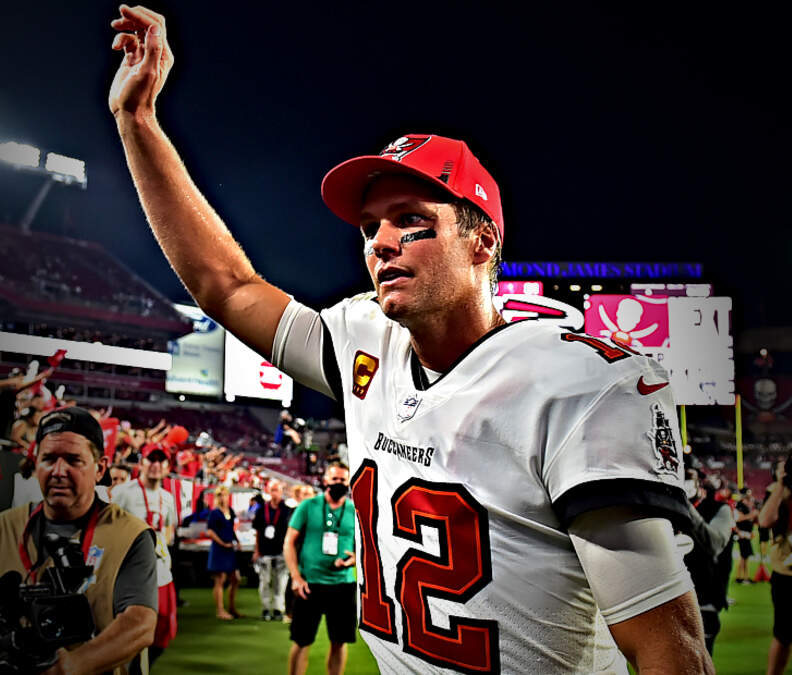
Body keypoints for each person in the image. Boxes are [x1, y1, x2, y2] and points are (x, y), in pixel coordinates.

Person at [108, 6, 710, 672]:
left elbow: (667, 646)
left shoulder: (577, 387)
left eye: (410, 220)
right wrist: (138, 122)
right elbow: (226, 287)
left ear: (482, 240)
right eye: (371, 227)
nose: (381, 243)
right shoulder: (365, 338)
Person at [0, 406, 157, 675]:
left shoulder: (129, 535)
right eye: (48, 459)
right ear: (36, 463)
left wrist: (72, 666)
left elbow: (140, 624)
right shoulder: (1, 529)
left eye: (73, 460)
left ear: (99, 469)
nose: (58, 471)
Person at [284, 463, 356, 675]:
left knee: (339, 642)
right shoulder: (308, 506)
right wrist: (296, 576)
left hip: (343, 584)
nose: (339, 483)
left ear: (349, 482)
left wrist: (356, 559)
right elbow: (289, 542)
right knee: (301, 641)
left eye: (343, 480)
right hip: (310, 584)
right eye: (334, 479)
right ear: (325, 481)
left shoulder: (355, 510)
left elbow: (367, 546)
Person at [111, 447, 178, 672]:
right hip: (132, 572)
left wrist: (160, 545)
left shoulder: (167, 497)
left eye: (161, 460)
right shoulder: (123, 493)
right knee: (134, 628)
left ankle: (138, 667)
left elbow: (168, 528)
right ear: (142, 463)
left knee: (165, 627)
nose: (156, 465)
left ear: (167, 467)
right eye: (152, 459)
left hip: (161, 571)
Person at [675, 466, 734, 654]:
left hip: (704, 597)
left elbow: (714, 543)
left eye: (687, 476)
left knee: (699, 660)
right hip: (669, 596)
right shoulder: (665, 508)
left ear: (699, 483)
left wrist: (683, 504)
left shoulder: (720, 509)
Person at [761, 457, 792, 675]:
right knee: (783, 635)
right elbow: (765, 520)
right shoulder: (778, 491)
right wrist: (782, 483)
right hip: (786, 573)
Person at [251, 478, 293, 622]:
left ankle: (278, 609)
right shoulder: (262, 510)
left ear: (281, 492)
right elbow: (257, 531)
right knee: (265, 581)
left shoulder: (287, 510)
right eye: (273, 490)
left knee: (280, 582)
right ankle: (266, 609)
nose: (275, 493)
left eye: (277, 490)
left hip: (281, 551)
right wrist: (256, 550)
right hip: (265, 551)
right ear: (268, 491)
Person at [204, 484, 240, 621]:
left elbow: (231, 528)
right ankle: (220, 610)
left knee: (235, 579)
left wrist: (237, 541)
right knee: (219, 580)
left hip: (229, 548)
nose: (223, 498)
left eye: (224, 495)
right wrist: (222, 543)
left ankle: (232, 607)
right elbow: (210, 531)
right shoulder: (214, 513)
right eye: (220, 495)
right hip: (219, 549)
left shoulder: (230, 511)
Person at [736, 487, 758, 584]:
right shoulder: (740, 505)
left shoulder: (745, 505)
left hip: (747, 534)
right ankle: (741, 577)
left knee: (745, 556)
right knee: (743, 555)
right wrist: (752, 515)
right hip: (743, 534)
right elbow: (739, 518)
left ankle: (743, 577)